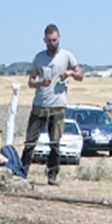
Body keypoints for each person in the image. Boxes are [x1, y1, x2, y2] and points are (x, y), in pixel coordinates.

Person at [24, 24, 84, 186]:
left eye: (55, 40)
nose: (52, 43)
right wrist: (41, 82)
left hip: (58, 106)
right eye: (49, 40)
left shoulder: (67, 56)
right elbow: (31, 81)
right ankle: (22, 173)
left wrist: (70, 73)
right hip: (40, 105)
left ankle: (52, 175)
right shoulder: (39, 58)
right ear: (44, 40)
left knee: (55, 143)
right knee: (30, 142)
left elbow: (80, 75)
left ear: (59, 38)